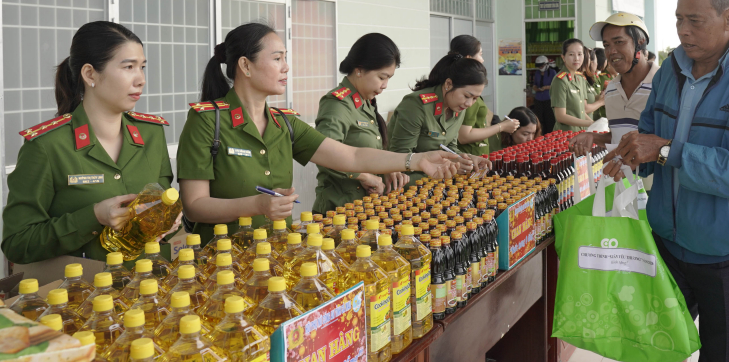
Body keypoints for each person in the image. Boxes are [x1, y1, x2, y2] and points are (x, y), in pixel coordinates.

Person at [603, 0, 729, 362]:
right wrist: (632, 154)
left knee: (726, 354)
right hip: (670, 245)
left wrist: (668, 151)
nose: (683, 31)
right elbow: (651, 132)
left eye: (695, 21)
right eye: (677, 20)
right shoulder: (672, 69)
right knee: (657, 349)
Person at [176, 23, 460, 245]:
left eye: (285, 58)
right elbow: (195, 207)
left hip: (277, 251)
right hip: (223, 261)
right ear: (245, 65)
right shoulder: (206, 121)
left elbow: (351, 155)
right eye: (277, 58)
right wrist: (257, 205)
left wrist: (416, 160)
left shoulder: (283, 123)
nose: (286, 66)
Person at [2, 21, 175, 264]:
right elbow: (18, 243)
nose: (141, 80)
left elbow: (160, 204)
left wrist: (167, 219)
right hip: (83, 296)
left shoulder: (151, 133)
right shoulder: (47, 146)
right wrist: (93, 216)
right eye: (128, 67)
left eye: (142, 67)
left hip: (151, 290)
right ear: (90, 74)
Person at [312, 33, 410, 214]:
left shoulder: (366, 102)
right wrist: (363, 177)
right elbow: (322, 155)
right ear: (359, 70)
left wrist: (386, 168)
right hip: (339, 210)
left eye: (389, 78)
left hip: (364, 208)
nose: (385, 85)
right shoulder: (337, 104)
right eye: (382, 77)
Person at [569, 12, 659, 190]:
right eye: (606, 45)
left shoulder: (665, 85)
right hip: (623, 189)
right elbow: (618, 136)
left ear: (640, 43)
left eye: (619, 42)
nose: (611, 52)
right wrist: (592, 137)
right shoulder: (610, 91)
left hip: (658, 190)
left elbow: (673, 144)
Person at [388, 52, 494, 183]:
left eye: (474, 99)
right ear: (448, 84)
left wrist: (468, 159)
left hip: (437, 180)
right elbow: (401, 157)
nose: (469, 103)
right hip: (408, 181)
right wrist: (446, 166)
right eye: (467, 96)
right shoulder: (417, 105)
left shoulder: (457, 106)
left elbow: (449, 146)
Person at [449, 35, 519, 155]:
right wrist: (501, 127)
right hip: (469, 159)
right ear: (469, 58)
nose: (482, 60)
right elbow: (464, 136)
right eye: (480, 54)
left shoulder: (468, 89)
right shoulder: (465, 94)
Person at [550, 39, 604, 132]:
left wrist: (595, 125)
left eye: (580, 54)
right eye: (571, 54)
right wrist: (590, 124)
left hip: (581, 133)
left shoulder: (580, 79)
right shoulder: (560, 80)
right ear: (563, 57)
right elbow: (561, 116)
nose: (576, 58)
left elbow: (581, 112)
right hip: (565, 136)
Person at [531, 55, 557, 134]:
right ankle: (540, 135)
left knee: (549, 119)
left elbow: (556, 85)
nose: (540, 67)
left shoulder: (552, 72)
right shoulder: (537, 73)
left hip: (548, 99)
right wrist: (535, 87)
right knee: (539, 119)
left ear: (546, 64)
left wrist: (546, 87)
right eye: (539, 66)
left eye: (541, 65)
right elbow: (535, 84)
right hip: (538, 99)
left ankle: (549, 136)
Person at [581, 47, 604, 120]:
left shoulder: (584, 79)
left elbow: (591, 97)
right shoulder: (579, 80)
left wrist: (601, 96)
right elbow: (582, 110)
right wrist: (601, 102)